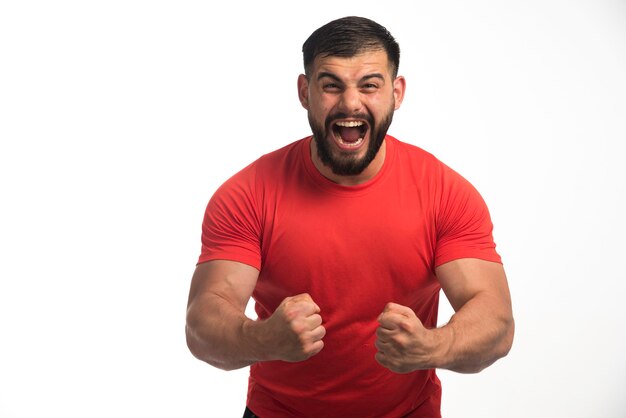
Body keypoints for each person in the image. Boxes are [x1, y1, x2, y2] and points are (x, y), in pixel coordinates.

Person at [185, 15, 514, 418]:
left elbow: (496, 321)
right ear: (305, 92)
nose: (350, 103)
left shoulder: (444, 193)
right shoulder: (248, 194)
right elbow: (202, 326)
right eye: (331, 85)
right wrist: (261, 339)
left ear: (397, 92)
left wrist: (433, 346)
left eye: (370, 85)